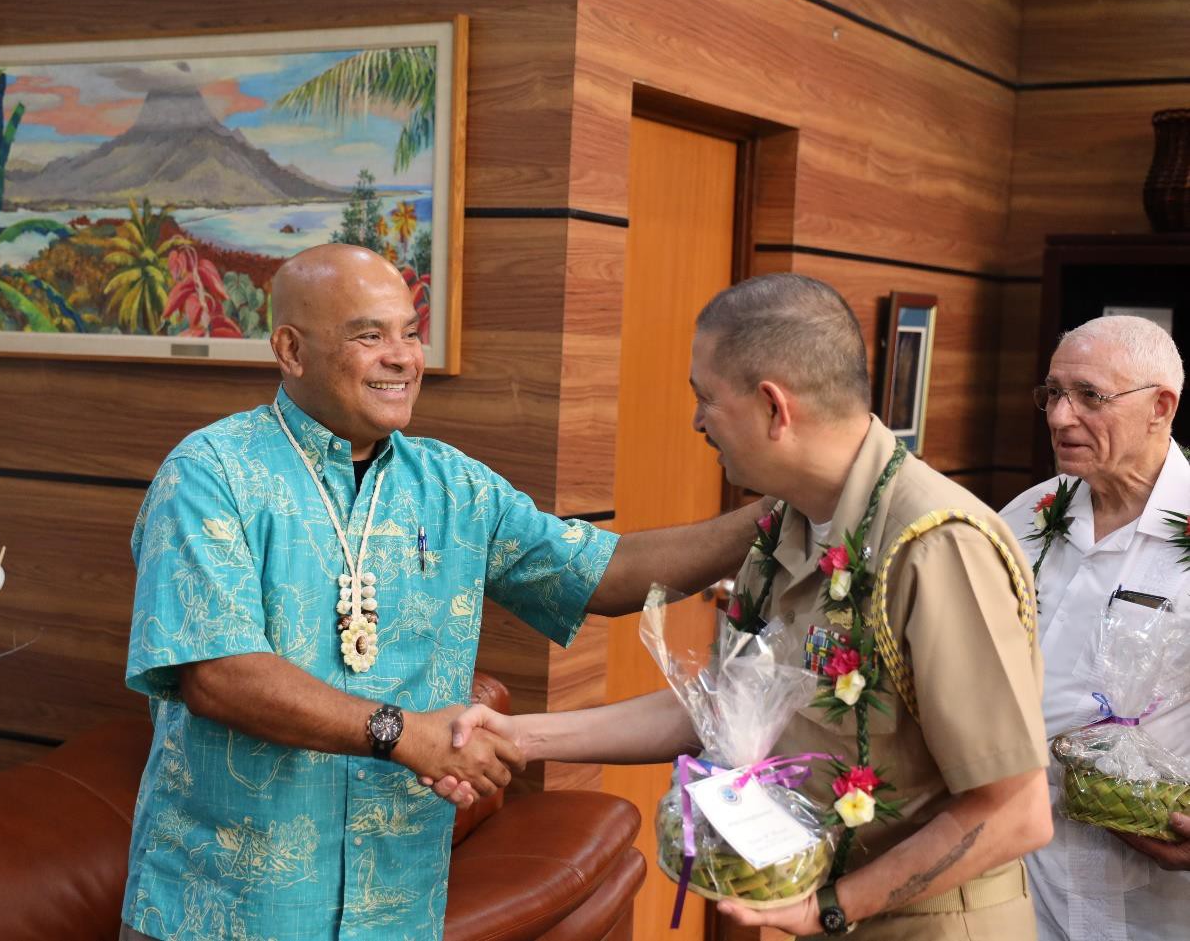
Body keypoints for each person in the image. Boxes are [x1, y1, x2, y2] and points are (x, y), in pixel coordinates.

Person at [119, 243, 764, 941]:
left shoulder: (452, 484)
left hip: (397, 909)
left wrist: (773, 514)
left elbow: (606, 572)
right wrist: (402, 733)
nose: (403, 357)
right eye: (370, 335)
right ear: (291, 348)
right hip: (222, 912)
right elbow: (219, 673)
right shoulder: (211, 472)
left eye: (410, 332)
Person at [444, 273, 1054, 939]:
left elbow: (1015, 810)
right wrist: (523, 736)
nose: (697, 421)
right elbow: (722, 703)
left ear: (774, 407)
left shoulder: (936, 546)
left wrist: (834, 905)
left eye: (706, 397)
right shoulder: (788, 520)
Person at [999, 315, 1190, 941]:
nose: (1059, 417)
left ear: (1161, 406)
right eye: (1053, 393)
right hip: (1009, 883)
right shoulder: (1027, 514)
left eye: (1090, 397)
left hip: (1146, 901)